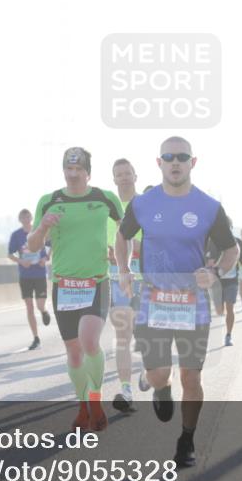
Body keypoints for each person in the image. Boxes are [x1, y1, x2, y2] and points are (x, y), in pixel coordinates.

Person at [116, 136, 238, 468]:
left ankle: (187, 440)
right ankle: (159, 388)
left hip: (192, 303)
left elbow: (231, 250)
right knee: (158, 374)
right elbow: (122, 237)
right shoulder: (142, 204)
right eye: (168, 156)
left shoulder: (209, 207)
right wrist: (124, 270)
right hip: (153, 299)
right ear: (158, 163)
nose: (175, 162)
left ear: (192, 163)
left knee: (192, 378)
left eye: (181, 157)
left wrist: (213, 272)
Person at [27, 147, 123, 432]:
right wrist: (43, 226)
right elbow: (33, 246)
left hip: (96, 282)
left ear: (88, 172)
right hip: (63, 286)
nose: (72, 174)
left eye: (78, 169)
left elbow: (126, 230)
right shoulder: (49, 201)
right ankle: (83, 406)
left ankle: (95, 399)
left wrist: (122, 258)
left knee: (89, 341)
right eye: (68, 169)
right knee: (74, 352)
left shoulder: (105, 198)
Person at [107, 158, 144, 412]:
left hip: (148, 276)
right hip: (116, 276)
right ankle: (126, 389)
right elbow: (104, 243)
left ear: (135, 176)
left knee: (150, 335)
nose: (123, 177)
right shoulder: (107, 209)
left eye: (127, 173)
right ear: (114, 179)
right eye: (118, 174)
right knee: (123, 335)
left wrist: (129, 249)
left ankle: (151, 374)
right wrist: (108, 253)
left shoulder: (146, 204)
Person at [8, 209, 51, 350]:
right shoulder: (16, 235)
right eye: (23, 217)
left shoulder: (39, 232)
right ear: (20, 219)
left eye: (27, 216)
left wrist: (45, 258)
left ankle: (44, 311)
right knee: (29, 306)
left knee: (39, 305)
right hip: (25, 275)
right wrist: (21, 261)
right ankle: (36, 338)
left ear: (31, 217)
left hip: (39, 274)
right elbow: (10, 254)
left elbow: (51, 245)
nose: (26, 219)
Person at [206, 221, 242, 346]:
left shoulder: (237, 242)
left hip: (232, 280)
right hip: (217, 281)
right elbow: (209, 260)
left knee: (230, 308)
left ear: (230, 228)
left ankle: (228, 335)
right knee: (219, 309)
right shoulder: (212, 242)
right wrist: (210, 264)